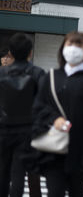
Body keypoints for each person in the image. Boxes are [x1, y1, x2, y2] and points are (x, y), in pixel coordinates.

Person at [31, 31, 83, 197]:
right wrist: (54, 119)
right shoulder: (51, 77)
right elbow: (38, 106)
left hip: (80, 148)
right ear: (63, 49)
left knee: (77, 192)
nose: (73, 49)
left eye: (78, 45)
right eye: (69, 44)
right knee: (55, 192)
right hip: (54, 147)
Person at [0, 33, 44, 197]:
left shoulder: (1, 73)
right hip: (28, 131)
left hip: (3, 130)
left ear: (10, 52)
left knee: (3, 173)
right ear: (30, 52)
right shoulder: (38, 73)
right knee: (18, 174)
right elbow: (45, 104)